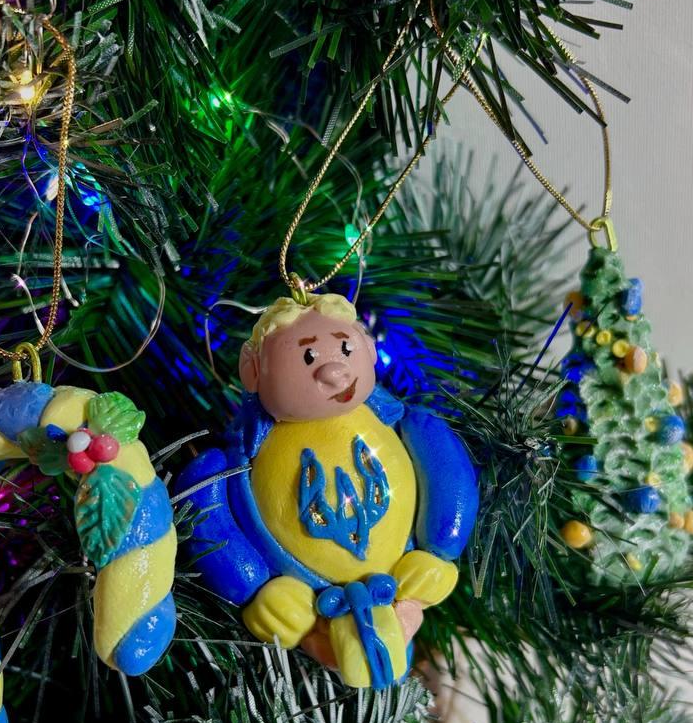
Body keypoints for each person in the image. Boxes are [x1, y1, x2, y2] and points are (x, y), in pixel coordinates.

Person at [179, 293, 478, 689]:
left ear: (367, 347)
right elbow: (206, 511)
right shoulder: (239, 458)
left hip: (406, 571)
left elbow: (447, 473)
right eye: (308, 357)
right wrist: (256, 588)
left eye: (345, 349)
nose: (334, 372)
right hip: (299, 599)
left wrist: (441, 547)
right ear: (253, 371)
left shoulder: (403, 424)